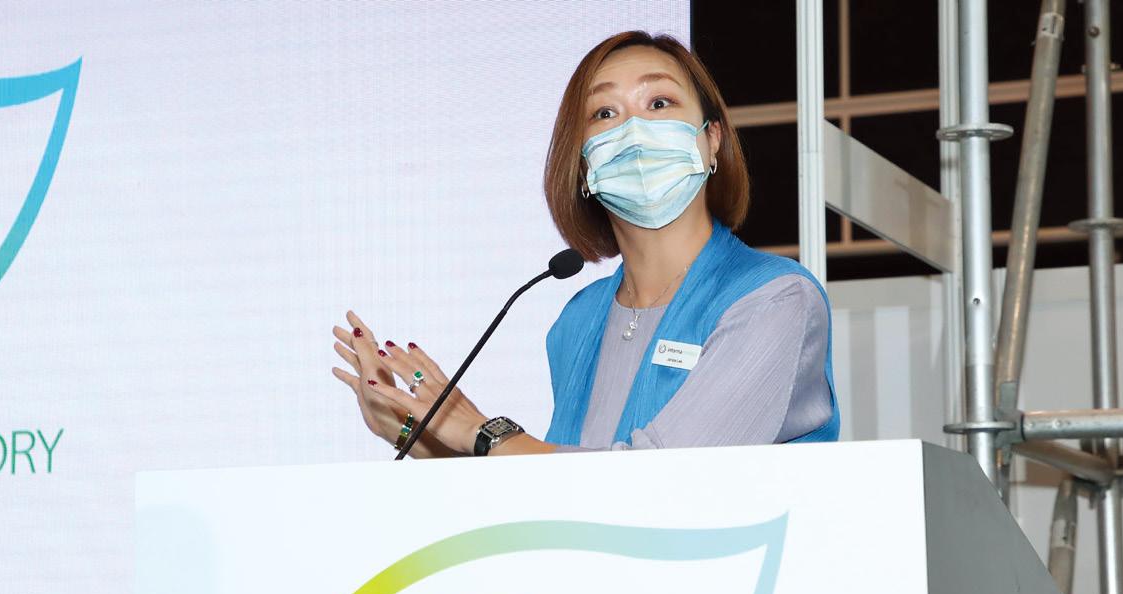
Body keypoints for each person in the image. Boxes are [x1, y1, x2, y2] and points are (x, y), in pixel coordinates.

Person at [332, 31, 838, 458]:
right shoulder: (579, 318)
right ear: (583, 167)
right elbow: (571, 503)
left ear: (712, 140)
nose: (634, 129)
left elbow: (666, 481)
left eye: (659, 103)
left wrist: (481, 431)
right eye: (605, 113)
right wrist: (415, 430)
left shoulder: (774, 298)